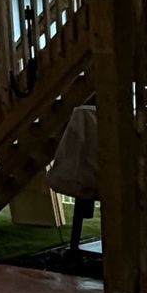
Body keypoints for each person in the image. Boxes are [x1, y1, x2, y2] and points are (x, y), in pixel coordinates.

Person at [45, 100, 102, 264]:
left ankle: (74, 247)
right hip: (91, 173)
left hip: (83, 174)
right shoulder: (87, 118)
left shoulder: (83, 117)